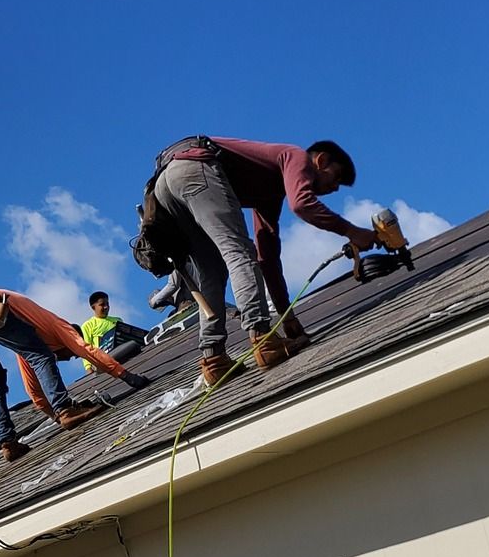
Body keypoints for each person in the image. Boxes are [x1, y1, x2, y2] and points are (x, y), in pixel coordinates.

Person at [149, 136, 379, 386]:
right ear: (321, 160)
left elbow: (267, 259)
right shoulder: (295, 156)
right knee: (237, 251)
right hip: (195, 167)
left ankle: (214, 360)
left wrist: (287, 316)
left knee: (210, 271)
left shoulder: (268, 192)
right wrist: (352, 231)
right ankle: (262, 338)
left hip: (165, 182)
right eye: (336, 178)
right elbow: (302, 204)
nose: (334, 188)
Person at [0, 287, 136, 463]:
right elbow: (85, 348)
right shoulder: (58, 326)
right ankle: (65, 407)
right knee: (42, 356)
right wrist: (125, 375)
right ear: (66, 343)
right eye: (70, 355)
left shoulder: (25, 341)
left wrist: (56, 418)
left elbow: (33, 392)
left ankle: (8, 442)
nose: (67, 360)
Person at [79, 292, 149, 360]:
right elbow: (85, 349)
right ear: (93, 307)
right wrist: (89, 368)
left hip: (123, 351)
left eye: (107, 304)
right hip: (104, 357)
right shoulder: (87, 326)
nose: (106, 307)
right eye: (102, 304)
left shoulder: (117, 320)